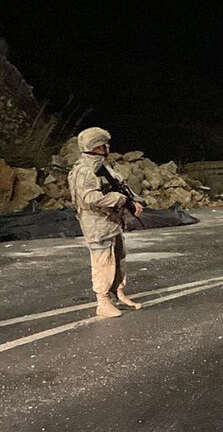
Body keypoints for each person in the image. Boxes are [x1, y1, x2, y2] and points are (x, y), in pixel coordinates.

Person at [68, 127, 144, 318]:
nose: (107, 147)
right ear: (96, 146)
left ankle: (118, 294)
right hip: (97, 223)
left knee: (118, 257)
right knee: (103, 261)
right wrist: (119, 200)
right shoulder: (85, 170)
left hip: (111, 222)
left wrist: (132, 201)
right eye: (104, 144)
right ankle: (102, 302)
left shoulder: (102, 166)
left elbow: (119, 186)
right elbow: (89, 197)